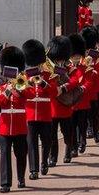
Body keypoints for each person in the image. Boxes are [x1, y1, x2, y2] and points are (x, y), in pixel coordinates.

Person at [0, 46, 29, 193]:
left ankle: (21, 178)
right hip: (5, 126)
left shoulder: (22, 85)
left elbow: (29, 94)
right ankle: (5, 183)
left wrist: (18, 89)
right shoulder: (0, 87)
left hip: (19, 125)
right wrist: (7, 91)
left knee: (21, 154)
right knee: (5, 155)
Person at [22, 39, 55, 179]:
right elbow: (21, 93)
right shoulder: (25, 76)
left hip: (45, 113)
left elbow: (54, 92)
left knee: (47, 141)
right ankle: (33, 170)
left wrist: (44, 84)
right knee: (32, 142)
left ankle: (44, 162)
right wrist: (28, 84)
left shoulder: (48, 76)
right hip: (30, 114)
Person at [46, 35, 75, 165]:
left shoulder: (69, 67)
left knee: (66, 132)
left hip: (65, 105)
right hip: (52, 105)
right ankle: (53, 157)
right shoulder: (48, 67)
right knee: (51, 135)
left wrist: (64, 86)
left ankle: (68, 150)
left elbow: (76, 80)